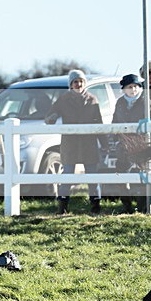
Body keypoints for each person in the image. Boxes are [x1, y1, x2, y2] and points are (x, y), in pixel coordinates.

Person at [45, 69, 107, 215]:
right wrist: (52, 117)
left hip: (89, 143)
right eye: (75, 82)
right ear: (71, 84)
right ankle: (62, 207)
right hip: (70, 143)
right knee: (67, 175)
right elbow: (49, 116)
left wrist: (104, 143)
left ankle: (95, 206)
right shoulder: (63, 99)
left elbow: (99, 122)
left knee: (92, 176)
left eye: (81, 81)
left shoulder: (92, 99)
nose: (78, 84)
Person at [112, 74, 151, 213]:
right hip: (124, 145)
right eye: (130, 87)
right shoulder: (120, 103)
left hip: (142, 146)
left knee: (143, 175)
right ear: (124, 89)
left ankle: (142, 207)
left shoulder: (146, 102)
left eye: (136, 86)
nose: (133, 89)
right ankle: (127, 206)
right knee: (121, 174)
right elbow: (115, 122)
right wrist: (115, 138)